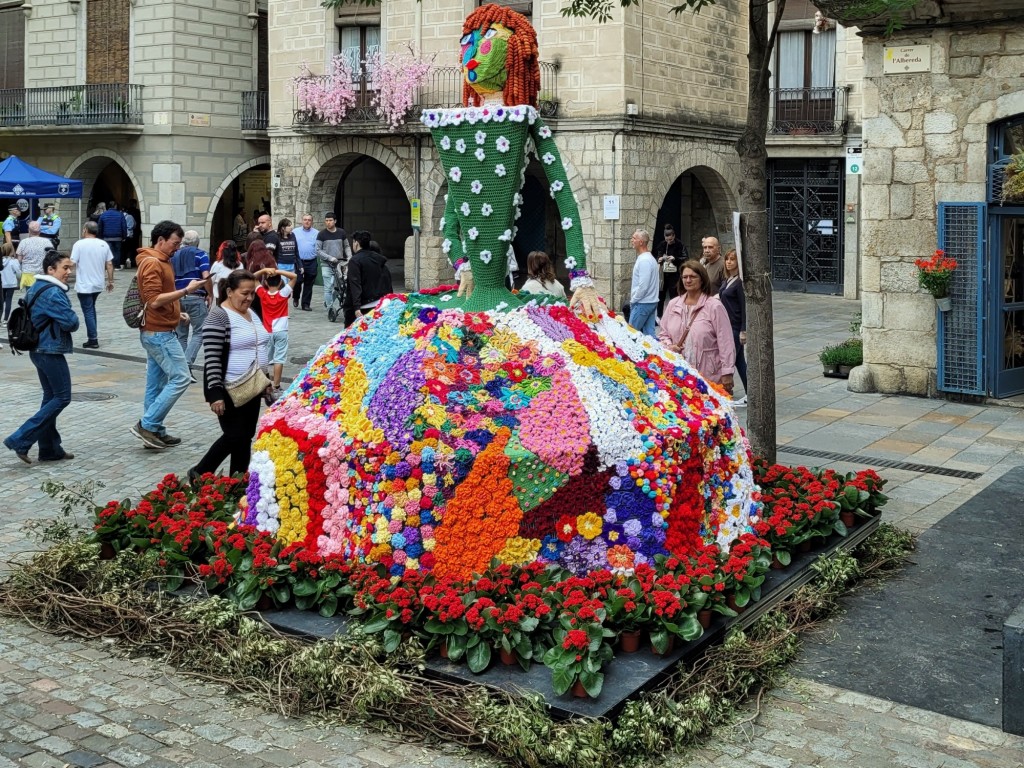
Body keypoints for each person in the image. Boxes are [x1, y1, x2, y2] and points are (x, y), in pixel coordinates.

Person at [190, 269, 272, 483]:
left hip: (253, 385)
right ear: (229, 291)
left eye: (252, 293)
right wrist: (215, 394)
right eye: (244, 293)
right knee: (234, 435)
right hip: (228, 387)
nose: (249, 298)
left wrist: (265, 379)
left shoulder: (251, 311)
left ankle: (237, 482)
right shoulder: (218, 316)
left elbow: (258, 346)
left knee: (245, 437)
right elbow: (212, 358)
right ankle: (199, 472)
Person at [132, 220, 206, 451]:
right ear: (160, 240)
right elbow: (153, 300)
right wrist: (186, 290)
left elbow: (159, 298)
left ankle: (154, 431)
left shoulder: (161, 261)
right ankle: (147, 424)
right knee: (181, 377)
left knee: (155, 384)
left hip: (158, 330)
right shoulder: (152, 263)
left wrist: (176, 313)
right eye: (175, 243)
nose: (177, 247)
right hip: (159, 333)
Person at [3, 249, 80, 464]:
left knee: (50, 397)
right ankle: (20, 439)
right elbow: (71, 323)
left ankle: (49, 449)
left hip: (38, 349)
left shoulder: (37, 286)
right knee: (62, 397)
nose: (69, 272)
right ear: (50, 270)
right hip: (49, 350)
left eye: (70, 268)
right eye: (65, 268)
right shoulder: (53, 292)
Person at [659, 259, 736, 396]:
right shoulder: (673, 304)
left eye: (692, 277)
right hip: (678, 373)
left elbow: (726, 341)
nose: (688, 280)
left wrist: (727, 371)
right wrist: (670, 346)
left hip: (709, 374)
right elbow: (663, 334)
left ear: (702, 279)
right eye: (685, 277)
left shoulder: (714, 306)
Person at [171, 230, 212, 373]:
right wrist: (210, 294)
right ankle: (186, 364)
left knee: (181, 334)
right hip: (195, 296)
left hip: (177, 296)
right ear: (197, 243)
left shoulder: (174, 255)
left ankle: (180, 367)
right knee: (200, 331)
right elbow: (206, 276)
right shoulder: (201, 254)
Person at [69, 221, 114, 349]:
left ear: (85, 230)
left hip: (84, 284)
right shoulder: (103, 244)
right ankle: (92, 336)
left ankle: (93, 339)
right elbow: (109, 264)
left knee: (88, 310)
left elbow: (72, 263)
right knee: (91, 308)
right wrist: (110, 281)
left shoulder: (79, 244)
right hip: (98, 283)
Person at [254, 267, 298, 391]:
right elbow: (294, 276)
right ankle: (277, 386)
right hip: (281, 331)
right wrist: (277, 271)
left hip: (267, 331)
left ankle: (262, 384)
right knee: (279, 359)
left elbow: (251, 277)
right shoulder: (283, 293)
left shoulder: (263, 294)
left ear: (266, 283)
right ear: (280, 283)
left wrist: (264, 270)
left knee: (264, 359)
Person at [718, 248, 747, 406]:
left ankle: (725, 391)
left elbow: (744, 307)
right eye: (727, 259)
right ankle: (750, 393)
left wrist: (743, 329)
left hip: (735, 326)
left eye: (732, 259)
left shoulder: (739, 283)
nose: (729, 262)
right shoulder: (728, 279)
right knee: (739, 361)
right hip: (727, 325)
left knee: (731, 360)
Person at [345, 230, 392, 326]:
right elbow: (386, 280)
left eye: (353, 242)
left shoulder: (355, 260)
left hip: (363, 305)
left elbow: (355, 284)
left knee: (353, 332)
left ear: (356, 243)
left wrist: (356, 307)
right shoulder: (377, 258)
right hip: (379, 302)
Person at [315, 213, 350, 311]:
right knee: (328, 287)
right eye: (326, 220)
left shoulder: (341, 232)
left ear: (335, 221)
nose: (328, 222)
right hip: (326, 264)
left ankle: (328, 301)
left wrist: (349, 257)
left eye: (330, 220)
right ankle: (330, 309)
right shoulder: (322, 234)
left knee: (341, 286)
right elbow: (317, 250)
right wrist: (330, 258)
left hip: (340, 264)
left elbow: (346, 246)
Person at [628, 229, 659, 337]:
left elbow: (643, 286)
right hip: (650, 302)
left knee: (631, 335)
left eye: (634, 238)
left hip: (642, 303)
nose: (632, 240)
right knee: (650, 336)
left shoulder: (644, 260)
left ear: (641, 242)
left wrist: (633, 300)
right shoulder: (648, 258)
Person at [655, 224, 686, 314]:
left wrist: (675, 258)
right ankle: (659, 315)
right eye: (667, 239)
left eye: (671, 239)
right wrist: (659, 259)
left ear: (674, 236)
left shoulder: (680, 244)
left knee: (674, 296)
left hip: (675, 274)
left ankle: (674, 314)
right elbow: (657, 256)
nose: (669, 241)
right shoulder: (662, 244)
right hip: (663, 275)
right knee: (660, 296)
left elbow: (685, 258)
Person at [294, 213, 319, 310]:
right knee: (298, 281)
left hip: (311, 261)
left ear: (312, 222)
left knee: (309, 283)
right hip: (298, 261)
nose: (307, 222)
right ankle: (296, 296)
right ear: (302, 221)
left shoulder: (317, 233)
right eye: (305, 219)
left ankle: (305, 304)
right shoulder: (295, 232)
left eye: (309, 220)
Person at [16, 221, 51, 290]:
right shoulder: (47, 242)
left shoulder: (23, 242)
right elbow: (51, 257)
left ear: (29, 231)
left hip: (28, 273)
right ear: (40, 231)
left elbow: (19, 260)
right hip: (42, 273)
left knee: (30, 293)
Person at [98, 201, 128, 269]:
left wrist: (100, 237)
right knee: (117, 251)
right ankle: (116, 265)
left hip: (106, 237)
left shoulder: (103, 215)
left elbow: (100, 227)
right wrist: (124, 236)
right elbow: (124, 226)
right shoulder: (120, 214)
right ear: (115, 206)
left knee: (108, 251)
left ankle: (109, 265)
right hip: (118, 237)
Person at [1, 242, 22, 328]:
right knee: (8, 300)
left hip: (1, 283)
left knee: (1, 301)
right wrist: (19, 278)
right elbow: (18, 273)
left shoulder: (1, 261)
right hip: (11, 283)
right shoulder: (14, 261)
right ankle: (5, 320)